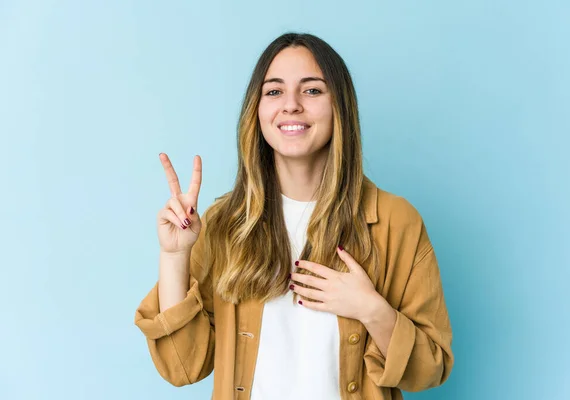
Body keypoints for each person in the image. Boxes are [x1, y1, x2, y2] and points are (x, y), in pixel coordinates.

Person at [134, 32, 454, 399]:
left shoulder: (396, 221)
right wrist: (175, 256)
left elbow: (429, 370)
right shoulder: (225, 222)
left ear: (340, 107)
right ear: (257, 110)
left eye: (312, 90)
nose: (291, 105)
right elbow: (182, 367)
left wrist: (372, 310)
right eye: (274, 91)